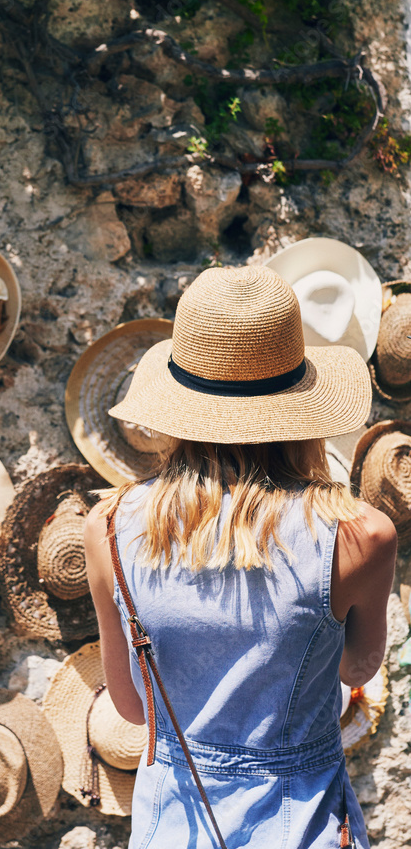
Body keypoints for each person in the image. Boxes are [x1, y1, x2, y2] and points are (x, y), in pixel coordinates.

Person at [84, 265, 397, 849]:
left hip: (171, 823)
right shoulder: (362, 535)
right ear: (303, 407)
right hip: (299, 823)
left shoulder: (106, 527)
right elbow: (357, 671)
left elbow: (131, 706)